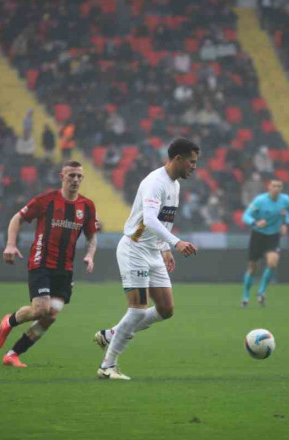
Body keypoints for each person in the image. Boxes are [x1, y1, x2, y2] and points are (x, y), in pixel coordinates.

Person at [93, 139, 200, 380]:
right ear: (178, 159)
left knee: (166, 309)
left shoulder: (175, 185)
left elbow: (162, 221)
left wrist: (164, 248)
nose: (194, 167)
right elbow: (150, 220)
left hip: (153, 251)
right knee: (138, 311)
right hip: (134, 249)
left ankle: (112, 334)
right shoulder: (155, 182)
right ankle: (107, 366)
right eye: (192, 162)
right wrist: (176, 242)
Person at [0, 161, 100, 367]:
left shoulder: (87, 206)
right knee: (41, 309)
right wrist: (10, 244)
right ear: (62, 177)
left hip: (65, 269)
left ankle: (13, 354)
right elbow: (18, 218)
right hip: (41, 263)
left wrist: (90, 255)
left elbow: (92, 236)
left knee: (50, 316)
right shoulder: (46, 200)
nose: (75, 180)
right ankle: (9, 321)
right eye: (71, 176)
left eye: (79, 176)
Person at [240, 177, 289, 307]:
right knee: (252, 267)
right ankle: (246, 296)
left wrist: (286, 223)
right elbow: (245, 216)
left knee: (272, 262)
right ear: (269, 187)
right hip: (258, 235)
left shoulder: (285, 200)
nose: (276, 189)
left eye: (279, 186)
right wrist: (255, 222)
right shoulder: (260, 201)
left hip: (273, 236)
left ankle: (261, 291)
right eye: (274, 186)